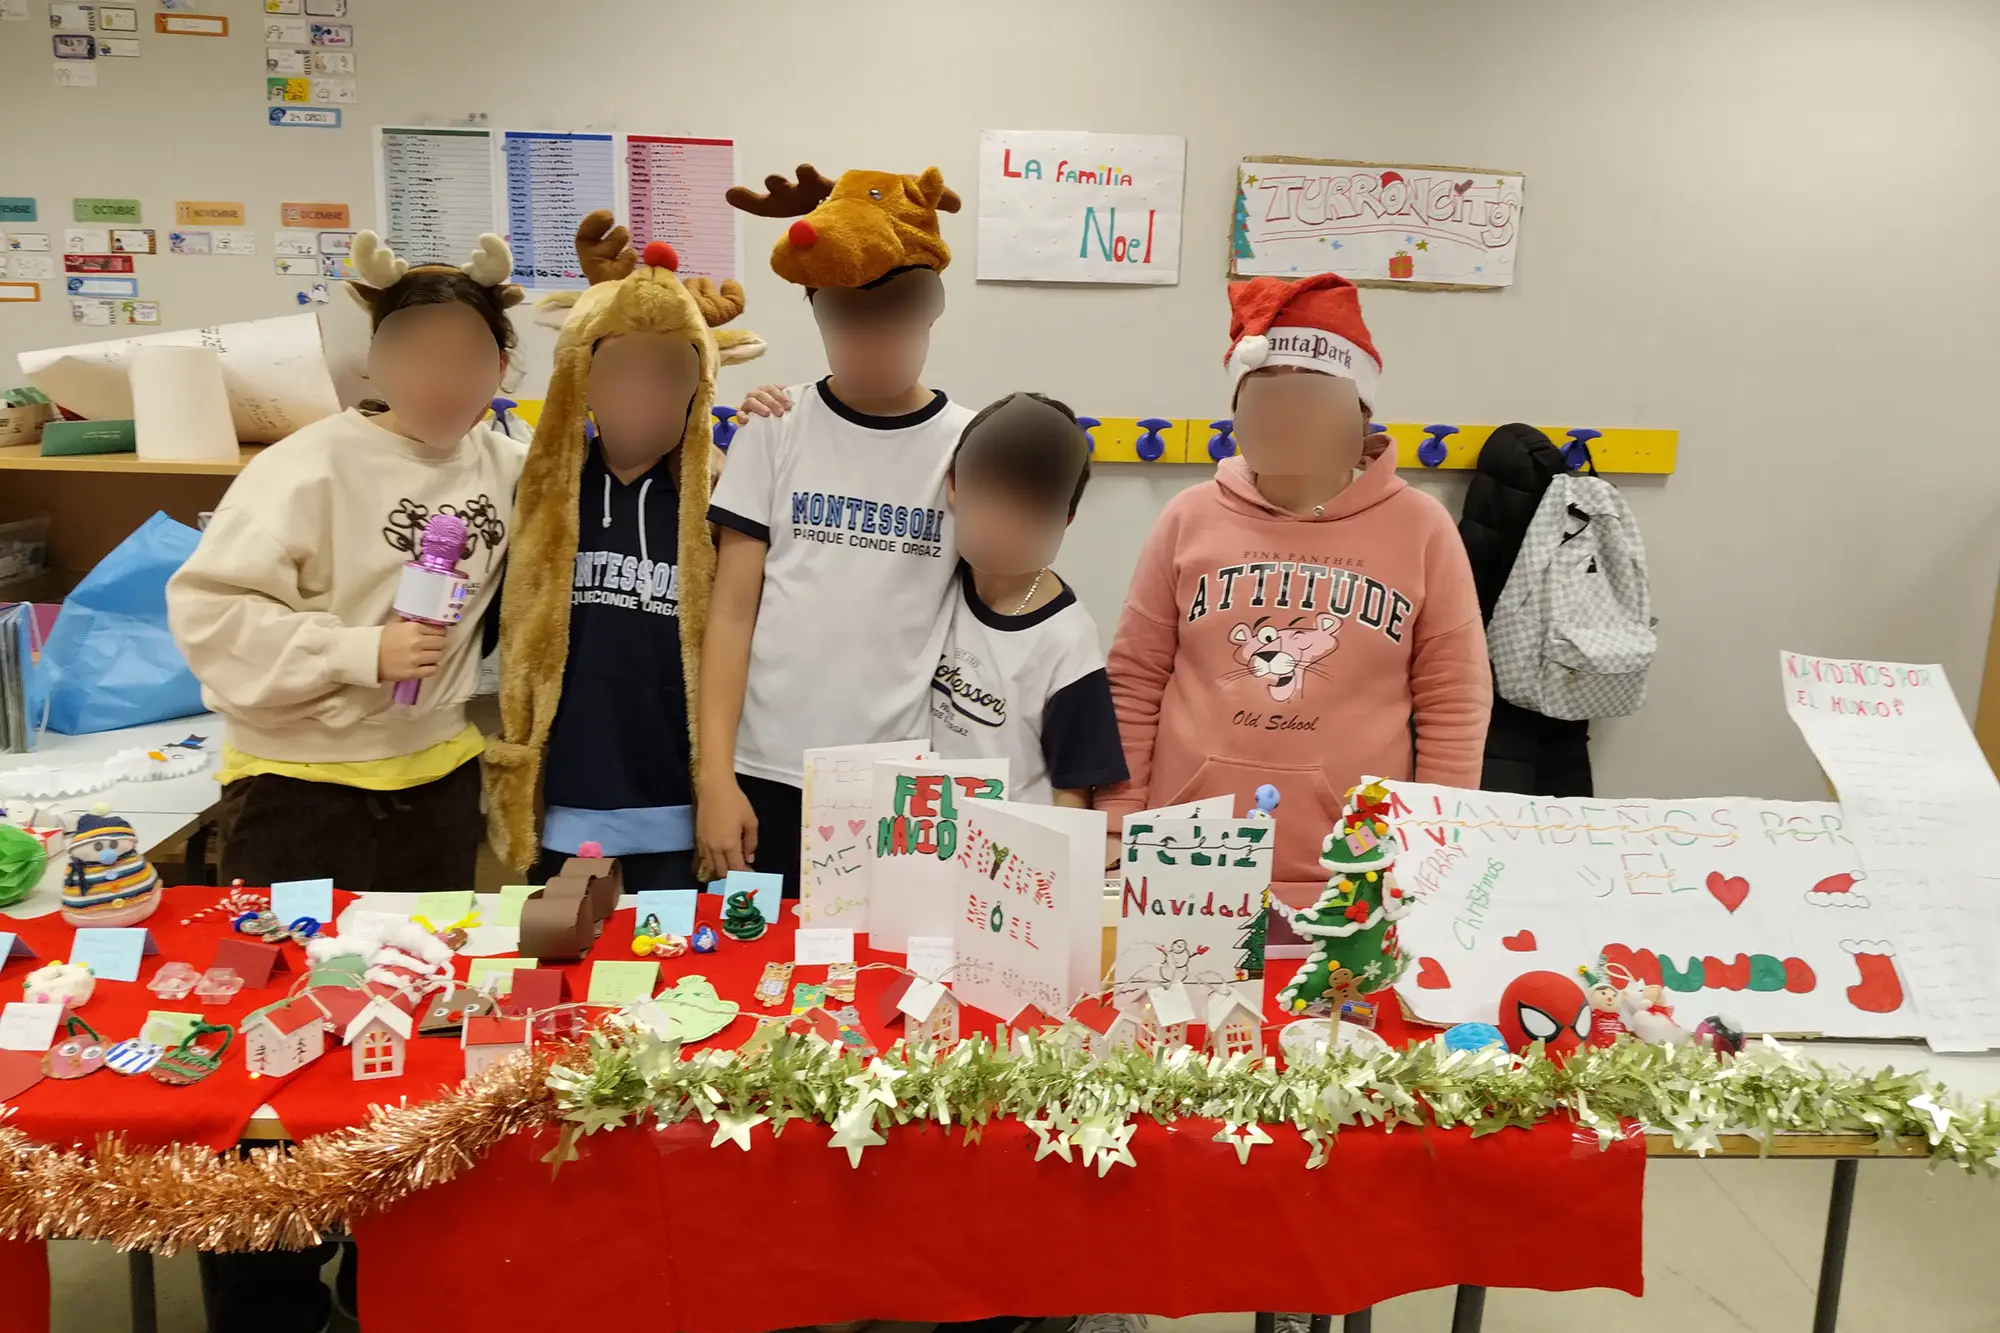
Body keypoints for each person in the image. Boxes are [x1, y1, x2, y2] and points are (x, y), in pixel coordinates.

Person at [166, 229, 526, 1333]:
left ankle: (394, 1287)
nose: (444, 378)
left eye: (469, 355)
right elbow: (209, 614)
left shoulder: (499, 462)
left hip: (434, 792)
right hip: (299, 794)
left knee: (410, 1050)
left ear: (501, 365)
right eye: (418, 352)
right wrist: (358, 650)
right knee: (280, 1057)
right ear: (376, 358)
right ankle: (268, 1303)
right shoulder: (305, 466)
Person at [1094, 271, 1490, 916]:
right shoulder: (1189, 517)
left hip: (1352, 868)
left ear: (1360, 412)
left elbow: (1454, 703)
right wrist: (1117, 819)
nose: (1286, 417)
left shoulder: (1422, 528)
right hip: (1184, 855)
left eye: (1311, 395)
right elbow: (1135, 681)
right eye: (1265, 396)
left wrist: (1435, 843)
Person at [699, 163, 971, 891]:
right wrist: (715, 775)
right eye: (846, 319)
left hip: (900, 780)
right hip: (764, 770)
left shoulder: (968, 446)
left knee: (885, 956)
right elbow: (731, 613)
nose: (871, 338)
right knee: (756, 950)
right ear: (820, 317)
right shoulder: (774, 428)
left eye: (893, 316)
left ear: (929, 313)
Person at [484, 211, 765, 891]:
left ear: (699, 389)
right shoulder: (542, 493)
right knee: (564, 944)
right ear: (582, 380)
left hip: (683, 810)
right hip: (563, 803)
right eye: (620, 371)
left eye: (669, 373)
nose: (643, 393)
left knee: (673, 953)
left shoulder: (722, 502)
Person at [928, 392, 1126, 806]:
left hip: (1012, 838)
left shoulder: (1067, 639)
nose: (1003, 524)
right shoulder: (932, 580)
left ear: (1064, 520)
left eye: (1028, 510)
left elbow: (1074, 785)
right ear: (954, 486)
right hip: (920, 828)